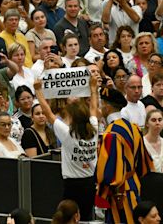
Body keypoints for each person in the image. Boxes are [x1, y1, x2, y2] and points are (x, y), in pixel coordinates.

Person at [33, 72, 99, 221]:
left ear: (73, 118)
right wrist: (93, 88)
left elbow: (48, 113)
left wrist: (38, 91)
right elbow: (94, 108)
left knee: (68, 219)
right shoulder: (94, 129)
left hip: (72, 184)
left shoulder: (68, 134)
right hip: (89, 182)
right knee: (86, 217)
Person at [96, 87, 155, 224]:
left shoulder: (111, 133)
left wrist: (101, 196)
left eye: (101, 104)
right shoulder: (134, 128)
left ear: (107, 106)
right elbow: (143, 161)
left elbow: (107, 170)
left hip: (119, 192)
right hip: (135, 185)